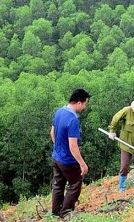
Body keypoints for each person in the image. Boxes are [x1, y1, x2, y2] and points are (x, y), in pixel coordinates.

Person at [50, 88, 91, 218]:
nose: (84, 107)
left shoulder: (59, 112)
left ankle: (55, 212)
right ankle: (65, 214)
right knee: (74, 184)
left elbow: (52, 133)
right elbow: (73, 146)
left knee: (58, 185)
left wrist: (58, 148)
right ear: (79, 102)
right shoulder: (73, 119)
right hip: (68, 161)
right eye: (85, 104)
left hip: (56, 157)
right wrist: (82, 164)